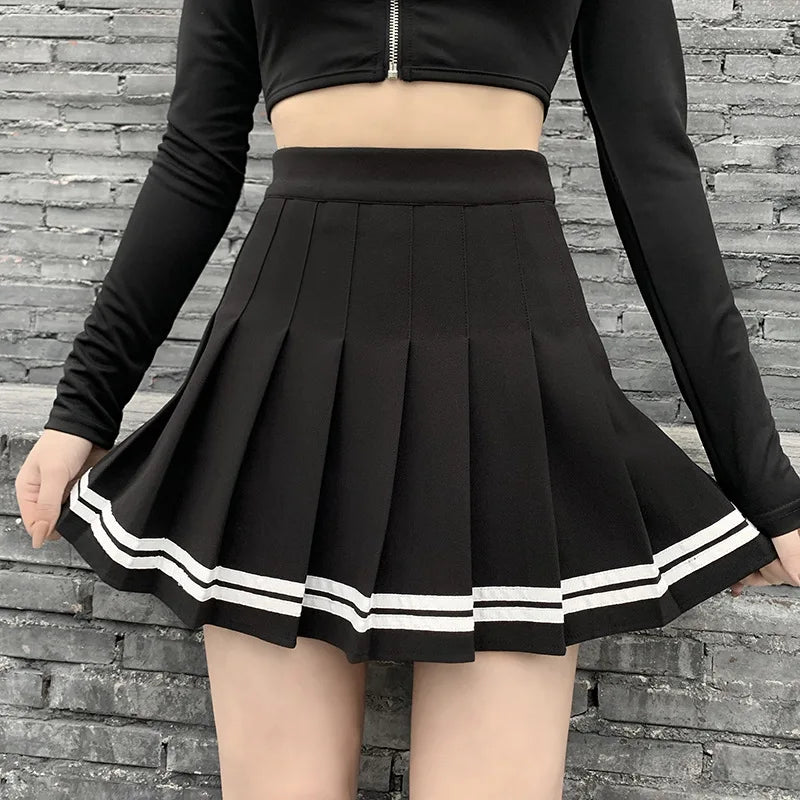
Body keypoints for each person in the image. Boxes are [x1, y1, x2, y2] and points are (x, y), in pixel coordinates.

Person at [13, 1, 800, 798]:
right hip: (284, 360)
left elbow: (652, 168)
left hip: (508, 362)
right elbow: (195, 156)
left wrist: (764, 484)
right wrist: (84, 407)